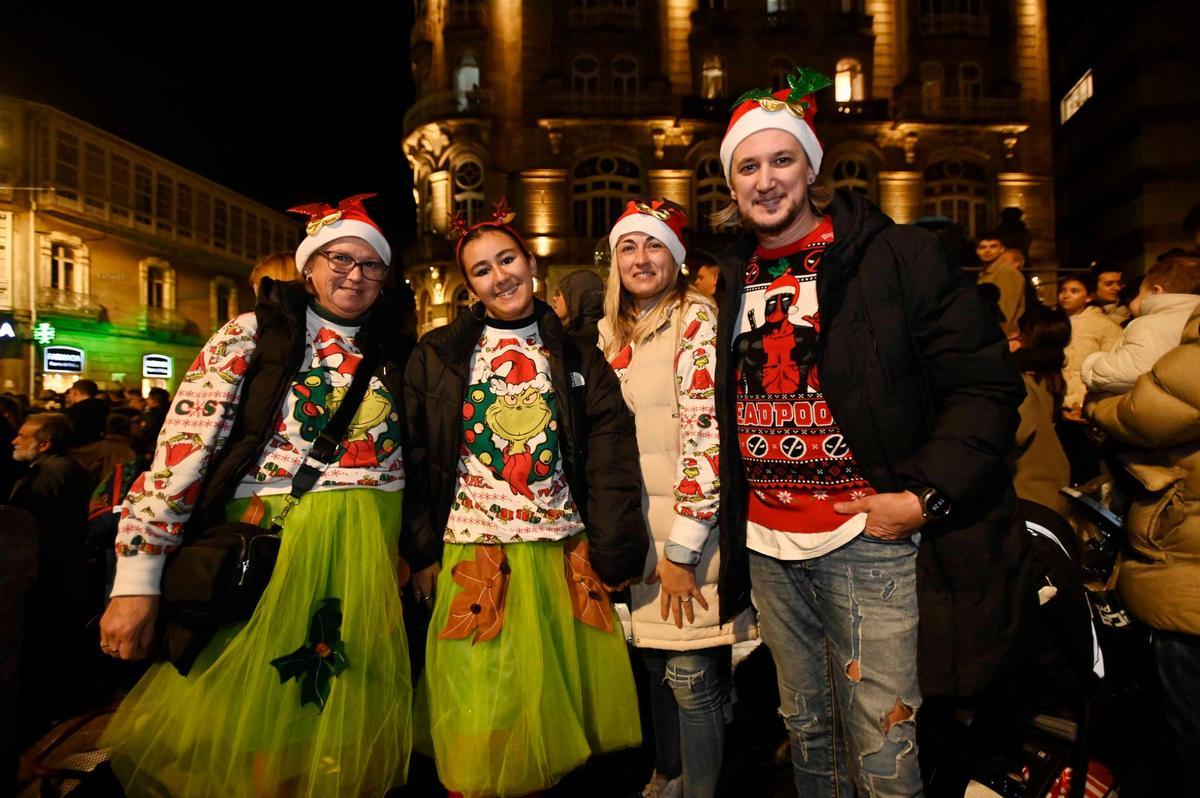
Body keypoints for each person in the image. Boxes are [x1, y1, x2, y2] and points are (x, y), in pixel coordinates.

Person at [711, 67, 1029, 796]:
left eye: (782, 159)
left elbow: (984, 387)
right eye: (748, 166)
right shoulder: (734, 275)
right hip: (767, 545)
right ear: (731, 187)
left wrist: (924, 499)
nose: (766, 180)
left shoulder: (897, 256)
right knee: (807, 731)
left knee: (883, 743)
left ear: (813, 167)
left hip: (868, 543)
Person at [97, 194, 414, 797]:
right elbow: (181, 451)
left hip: (370, 550)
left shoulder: (395, 350)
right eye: (339, 259)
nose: (355, 274)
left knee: (336, 713)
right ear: (309, 267)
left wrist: (408, 547)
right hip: (275, 544)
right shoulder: (253, 333)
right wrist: (136, 578)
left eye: (371, 264)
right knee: (258, 714)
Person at [403, 200, 647, 798]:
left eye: (506, 259)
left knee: (551, 716)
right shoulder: (437, 355)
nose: (499, 276)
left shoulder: (578, 354)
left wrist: (615, 551)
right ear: (470, 286)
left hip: (560, 555)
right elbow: (414, 458)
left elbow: (611, 458)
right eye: (481, 270)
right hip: (474, 554)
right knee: (478, 706)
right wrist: (420, 550)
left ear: (530, 261)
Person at [600, 199, 756, 798]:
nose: (642, 258)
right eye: (629, 247)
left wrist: (683, 550)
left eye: (654, 245)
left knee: (692, 677)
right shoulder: (613, 330)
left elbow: (707, 439)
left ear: (678, 255)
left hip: (692, 539)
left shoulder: (697, 320)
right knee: (656, 670)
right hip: (638, 538)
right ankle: (666, 780)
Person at [1086, 305, 1200, 791]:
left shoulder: (1192, 363)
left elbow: (1137, 416)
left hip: (1189, 580)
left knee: (1189, 730)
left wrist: (1096, 407)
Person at [9, 412, 95, 736]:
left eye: (22, 436)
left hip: (51, 572)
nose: (14, 440)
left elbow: (29, 525)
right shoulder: (68, 469)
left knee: (47, 644)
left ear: (43, 444)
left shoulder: (47, 475)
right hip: (65, 570)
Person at [1082, 254, 1200, 397]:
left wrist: (1092, 365)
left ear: (1156, 292)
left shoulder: (1149, 324)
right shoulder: (1194, 321)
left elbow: (1128, 372)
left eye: (1139, 293)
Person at [1009, 310, 1073, 515]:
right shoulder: (1052, 376)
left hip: (1029, 492)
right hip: (1053, 483)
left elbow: (1018, 432)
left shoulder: (1022, 380)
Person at [1058, 274, 1122, 419]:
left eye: (1074, 291)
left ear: (1088, 297)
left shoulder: (1104, 325)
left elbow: (1111, 363)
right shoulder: (1053, 322)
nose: (1066, 295)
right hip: (1058, 395)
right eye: (1063, 290)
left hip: (1085, 397)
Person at [977, 234, 1026, 325]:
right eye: (983, 247)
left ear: (1002, 249)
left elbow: (1005, 311)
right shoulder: (986, 272)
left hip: (1000, 332)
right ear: (977, 251)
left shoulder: (1007, 273)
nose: (987, 251)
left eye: (993, 246)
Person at [552, 268, 606, 346]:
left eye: (559, 294)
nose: (554, 298)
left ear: (575, 297)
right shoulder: (603, 331)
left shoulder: (578, 340)